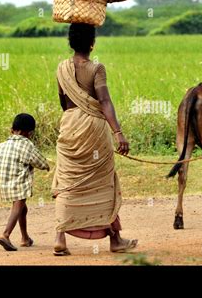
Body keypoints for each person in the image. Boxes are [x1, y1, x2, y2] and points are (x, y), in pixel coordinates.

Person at [52, 23, 138, 256]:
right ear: (92, 43)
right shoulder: (96, 68)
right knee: (104, 182)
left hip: (69, 126)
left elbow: (63, 101)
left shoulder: (61, 68)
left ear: (70, 42)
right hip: (93, 129)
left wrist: (74, 115)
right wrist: (118, 132)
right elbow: (105, 101)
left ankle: (60, 238)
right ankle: (115, 239)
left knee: (67, 181)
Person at [0, 113, 50, 251]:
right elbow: (40, 162)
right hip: (20, 182)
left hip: (6, 183)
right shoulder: (27, 145)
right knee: (18, 207)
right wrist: (47, 166)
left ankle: (25, 238)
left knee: (23, 210)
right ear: (29, 133)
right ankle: (5, 234)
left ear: (11, 129)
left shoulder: (3, 145)